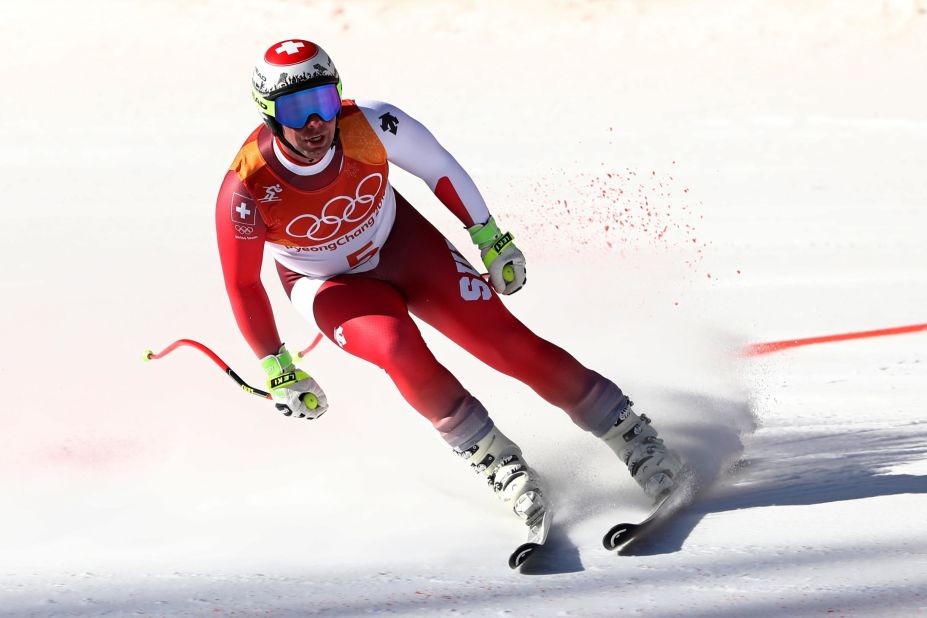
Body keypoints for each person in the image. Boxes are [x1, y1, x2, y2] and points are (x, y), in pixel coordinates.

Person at [215, 39, 684, 541]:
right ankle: (501, 465)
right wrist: (278, 367)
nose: (315, 123)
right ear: (268, 114)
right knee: (397, 348)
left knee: (506, 342)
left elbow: (438, 167)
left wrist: (490, 237)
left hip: (402, 244)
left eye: (325, 102)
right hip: (327, 284)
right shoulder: (246, 188)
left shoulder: (370, 124)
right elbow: (243, 283)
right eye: (295, 109)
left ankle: (636, 439)